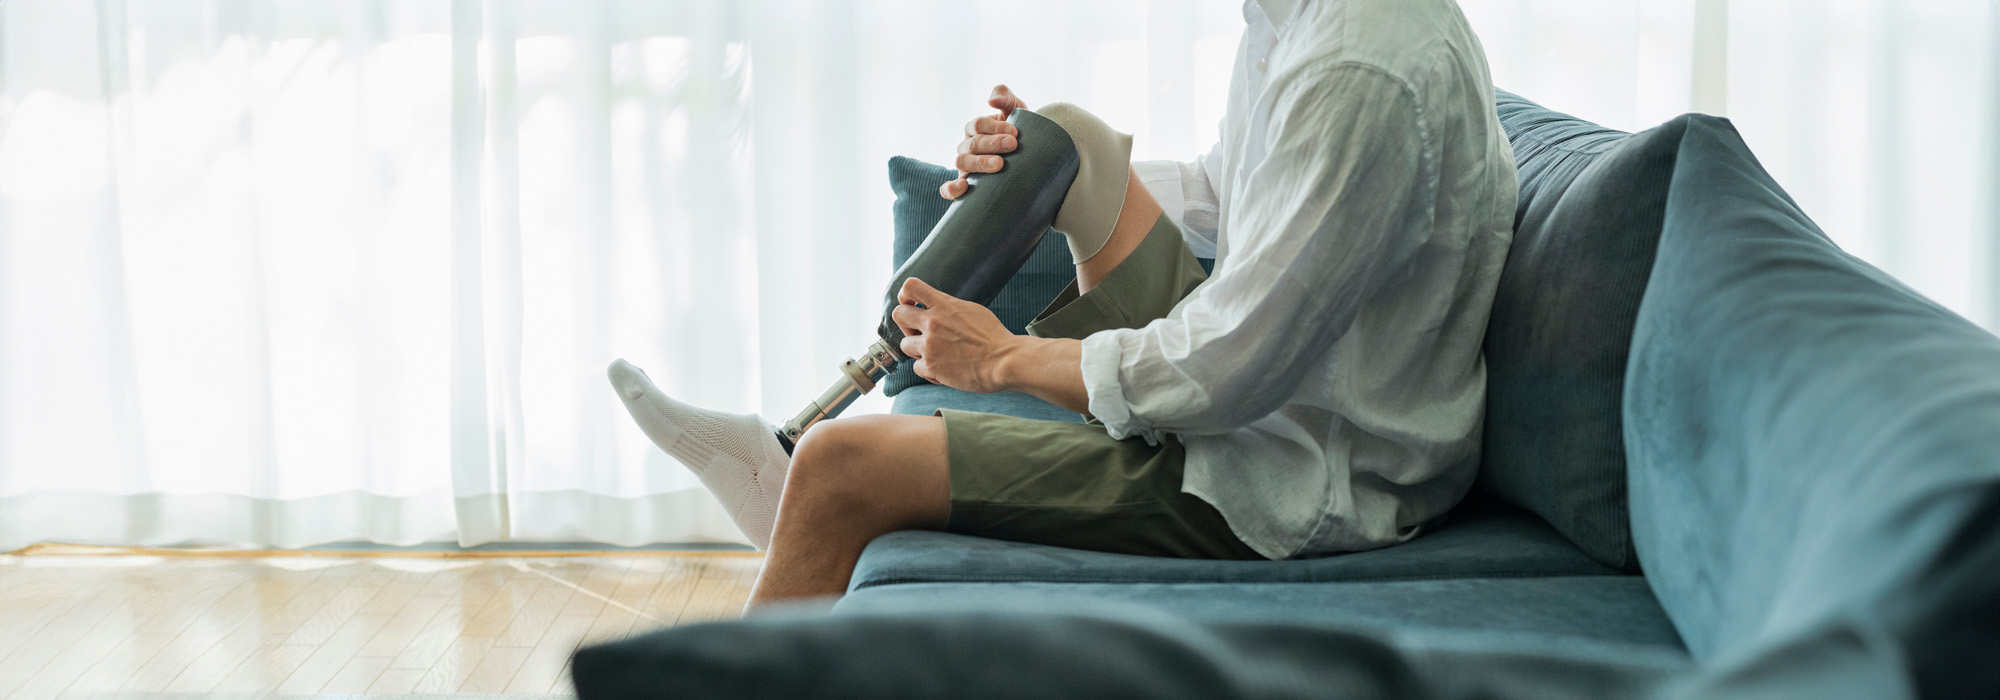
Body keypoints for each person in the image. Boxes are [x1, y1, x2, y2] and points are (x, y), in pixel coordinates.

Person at [608, 0, 1518, 606]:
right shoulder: (1291, 21)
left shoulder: (1359, 68)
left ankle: (801, 474)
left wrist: (1000, 359)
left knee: (846, 465)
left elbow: (1232, 364)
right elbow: (1224, 189)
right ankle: (791, 451)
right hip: (1279, 401)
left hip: (1298, 476)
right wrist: (1038, 178)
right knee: (1073, 138)